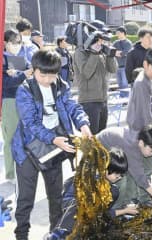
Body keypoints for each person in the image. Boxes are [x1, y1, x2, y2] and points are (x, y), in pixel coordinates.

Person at [11, 50, 92, 240]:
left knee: (56, 198)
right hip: (27, 151)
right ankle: (21, 235)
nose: (48, 80)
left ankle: (55, 234)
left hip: (54, 150)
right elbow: (30, 123)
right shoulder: (25, 90)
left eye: (52, 75)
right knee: (25, 200)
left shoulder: (61, 85)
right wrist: (54, 139)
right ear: (34, 70)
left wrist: (83, 124)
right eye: (43, 75)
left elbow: (73, 106)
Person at [44, 149, 138, 240]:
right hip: (70, 210)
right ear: (105, 167)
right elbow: (92, 211)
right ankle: (57, 235)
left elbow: (101, 214)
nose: (119, 177)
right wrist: (124, 211)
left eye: (121, 175)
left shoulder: (112, 190)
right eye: (116, 173)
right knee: (81, 209)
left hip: (87, 217)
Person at [97, 125, 152, 208]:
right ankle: (119, 206)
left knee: (147, 162)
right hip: (101, 149)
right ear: (141, 143)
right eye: (151, 151)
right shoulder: (131, 148)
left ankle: (144, 199)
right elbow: (140, 178)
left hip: (122, 146)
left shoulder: (144, 138)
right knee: (121, 177)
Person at [2, 29, 33, 182]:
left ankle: (23, 170)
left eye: (18, 42)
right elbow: (5, 84)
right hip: (9, 101)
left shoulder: (21, 58)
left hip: (24, 100)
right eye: (13, 42)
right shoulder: (3, 60)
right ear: (4, 43)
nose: (16, 45)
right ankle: (10, 173)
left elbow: (30, 73)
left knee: (24, 137)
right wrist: (23, 75)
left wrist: (26, 73)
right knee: (10, 138)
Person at [73, 30, 117, 134]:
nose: (101, 43)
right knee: (91, 137)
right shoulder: (80, 52)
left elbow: (113, 69)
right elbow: (86, 73)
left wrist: (110, 55)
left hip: (103, 99)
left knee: (102, 136)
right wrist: (94, 53)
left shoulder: (101, 52)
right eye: (100, 40)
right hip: (89, 101)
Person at [126, 48, 152, 135]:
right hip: (141, 132)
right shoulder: (141, 83)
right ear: (145, 64)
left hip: (148, 129)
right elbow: (145, 114)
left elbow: (148, 97)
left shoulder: (150, 79)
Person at [113, 26, 132, 97]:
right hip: (117, 67)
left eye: (118, 33)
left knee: (125, 84)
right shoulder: (115, 43)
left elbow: (122, 54)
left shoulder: (128, 43)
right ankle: (122, 99)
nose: (117, 35)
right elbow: (111, 52)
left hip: (125, 67)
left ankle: (126, 100)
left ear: (123, 33)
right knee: (120, 84)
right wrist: (118, 53)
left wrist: (118, 53)